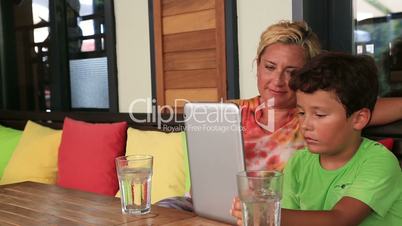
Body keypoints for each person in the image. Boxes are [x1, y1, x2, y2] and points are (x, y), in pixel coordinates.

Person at [232, 52, 402, 226]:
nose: (305, 125)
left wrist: (267, 214)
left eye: (319, 115)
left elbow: (340, 220)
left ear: (358, 119)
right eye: (301, 113)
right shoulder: (299, 162)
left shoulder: (379, 162)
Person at [233, 20, 402, 172]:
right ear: (258, 66)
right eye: (270, 67)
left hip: (290, 207)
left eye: (292, 72)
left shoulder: (318, 116)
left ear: (308, 74)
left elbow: (365, 107)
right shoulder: (230, 112)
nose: (278, 81)